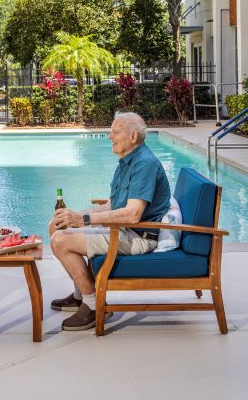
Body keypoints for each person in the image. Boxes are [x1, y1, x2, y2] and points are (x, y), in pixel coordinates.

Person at [48, 112, 171, 330]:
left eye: (115, 131)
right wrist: (74, 217)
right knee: (57, 228)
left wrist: (83, 219)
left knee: (60, 241)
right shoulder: (127, 161)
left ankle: (94, 306)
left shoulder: (145, 164)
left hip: (137, 236)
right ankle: (80, 294)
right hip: (123, 230)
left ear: (133, 136)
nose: (109, 136)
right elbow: (113, 205)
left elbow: (132, 214)